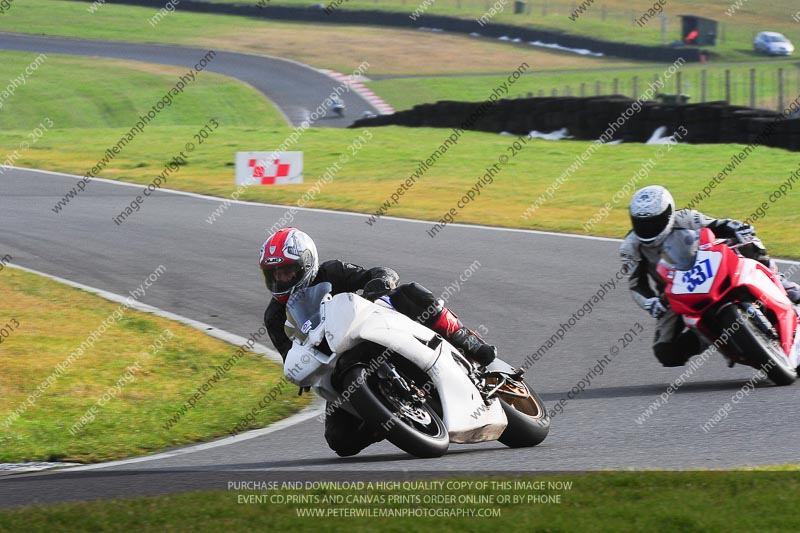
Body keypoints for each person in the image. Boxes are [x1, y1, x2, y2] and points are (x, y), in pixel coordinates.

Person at [260, 227, 496, 456]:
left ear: (307, 264)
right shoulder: (274, 317)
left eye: (287, 271)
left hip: (369, 332)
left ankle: (465, 338)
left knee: (408, 293)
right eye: (274, 275)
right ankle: (386, 417)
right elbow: (290, 355)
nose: (280, 279)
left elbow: (381, 272)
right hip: (335, 368)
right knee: (339, 440)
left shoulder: (332, 272)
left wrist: (379, 282)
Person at [619, 185, 800, 368]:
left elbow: (719, 225)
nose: (647, 229)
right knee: (666, 352)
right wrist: (650, 302)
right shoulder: (630, 247)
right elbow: (636, 284)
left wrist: (739, 229)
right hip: (674, 292)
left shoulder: (685, 218)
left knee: (749, 242)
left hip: (709, 266)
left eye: (653, 222)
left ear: (668, 213)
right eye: (641, 223)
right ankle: (710, 336)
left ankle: (783, 283)